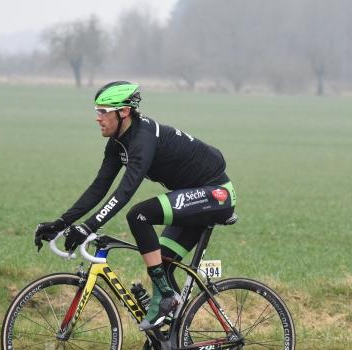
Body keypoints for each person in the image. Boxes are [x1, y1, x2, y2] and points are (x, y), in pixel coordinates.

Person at [34, 81, 236, 330]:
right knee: (162, 261)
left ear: (124, 112)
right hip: (193, 196)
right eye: (97, 111)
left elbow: (124, 192)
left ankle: (166, 296)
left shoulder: (143, 139)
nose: (98, 118)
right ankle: (176, 343)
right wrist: (62, 222)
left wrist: (87, 227)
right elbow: (99, 187)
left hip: (216, 195)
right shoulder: (119, 143)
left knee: (139, 215)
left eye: (103, 111)